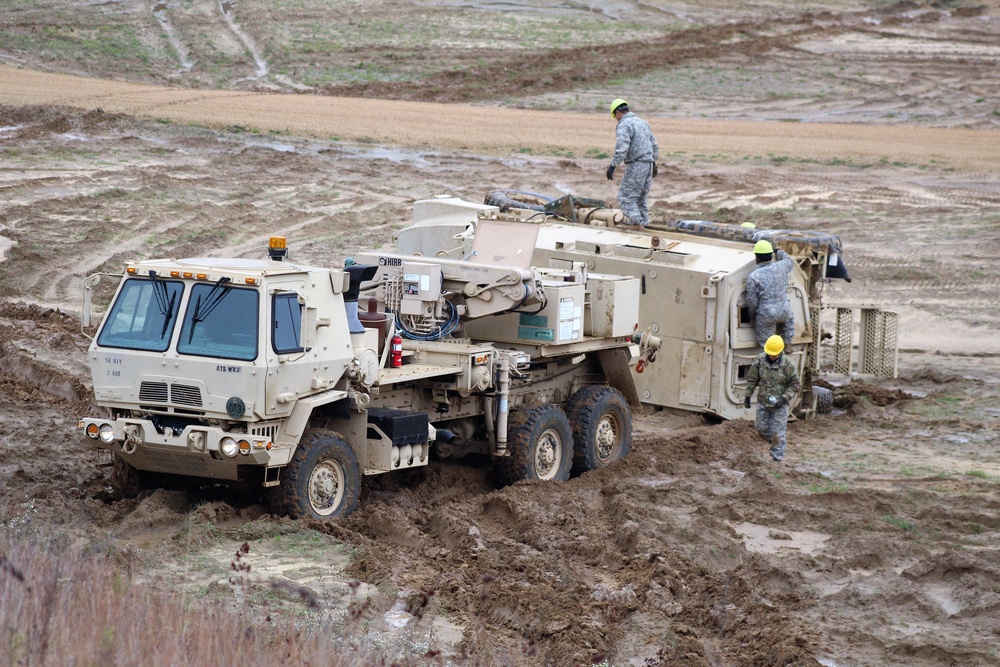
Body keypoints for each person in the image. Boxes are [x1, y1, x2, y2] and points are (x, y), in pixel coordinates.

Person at [744, 335, 801, 462]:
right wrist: (748, 395)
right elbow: (753, 378)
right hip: (763, 402)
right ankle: (777, 442)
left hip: (780, 404)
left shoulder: (788, 365)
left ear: (780, 351)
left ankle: (777, 458)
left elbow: (795, 384)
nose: (772, 356)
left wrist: (784, 398)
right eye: (770, 353)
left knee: (777, 433)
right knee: (761, 429)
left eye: (774, 354)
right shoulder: (760, 360)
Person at [605, 99, 659, 228]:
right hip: (649, 165)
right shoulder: (643, 123)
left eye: (614, 116)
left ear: (617, 112)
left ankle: (639, 226)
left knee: (626, 199)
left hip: (637, 165)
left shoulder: (624, 124)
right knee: (640, 200)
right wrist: (654, 163)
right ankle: (645, 225)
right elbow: (654, 145)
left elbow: (622, 148)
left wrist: (613, 165)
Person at [745, 239, 795, 347]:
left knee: (767, 343)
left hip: (767, 313)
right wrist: (778, 251)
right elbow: (790, 260)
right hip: (784, 310)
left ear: (756, 257)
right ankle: (788, 343)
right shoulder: (782, 266)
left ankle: (770, 357)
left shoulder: (754, 276)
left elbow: (752, 301)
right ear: (771, 256)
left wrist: (752, 315)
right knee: (788, 320)